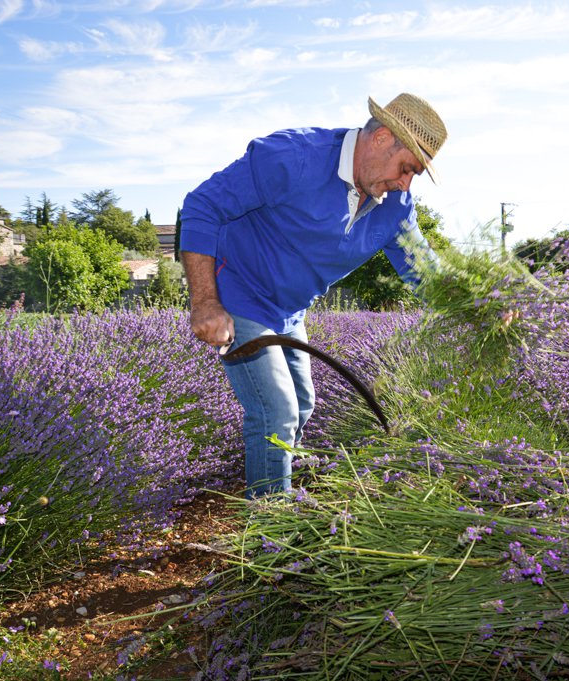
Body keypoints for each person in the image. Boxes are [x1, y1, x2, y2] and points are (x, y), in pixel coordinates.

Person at [179, 93, 447, 498]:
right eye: (407, 168)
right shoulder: (292, 156)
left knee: (302, 406)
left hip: (290, 310)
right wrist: (205, 302)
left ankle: (271, 485)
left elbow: (425, 271)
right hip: (240, 294)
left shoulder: (395, 206)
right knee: (277, 413)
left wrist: (481, 305)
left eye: (414, 176)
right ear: (381, 139)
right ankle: (270, 534)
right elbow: (201, 206)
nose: (405, 183)